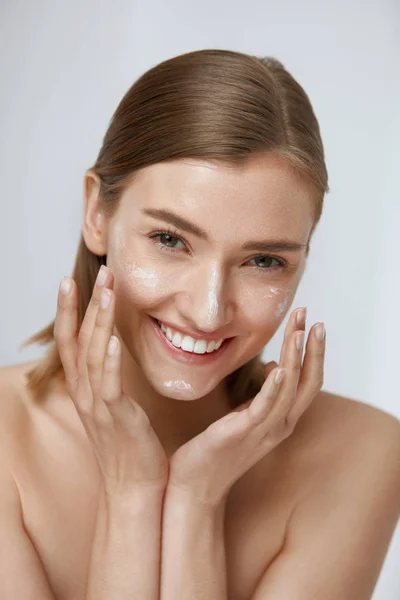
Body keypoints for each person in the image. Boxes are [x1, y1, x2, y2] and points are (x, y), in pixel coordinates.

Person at [0, 48, 399, 600]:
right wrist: (132, 490)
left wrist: (197, 498)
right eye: (170, 240)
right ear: (97, 213)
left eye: (264, 261)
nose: (209, 311)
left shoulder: (362, 453)